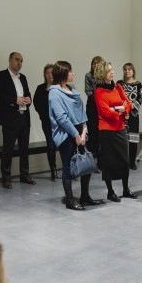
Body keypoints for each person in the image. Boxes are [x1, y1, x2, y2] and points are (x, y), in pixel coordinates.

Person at [49, 60, 96, 211]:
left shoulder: (72, 88)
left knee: (86, 164)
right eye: (70, 71)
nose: (72, 73)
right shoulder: (54, 93)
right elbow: (61, 118)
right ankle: (70, 200)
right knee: (68, 167)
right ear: (62, 73)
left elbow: (81, 110)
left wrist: (83, 130)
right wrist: (76, 135)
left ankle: (85, 196)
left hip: (80, 131)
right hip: (67, 134)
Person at [94, 61, 135, 201]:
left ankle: (126, 189)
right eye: (108, 71)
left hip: (120, 127)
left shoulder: (118, 87)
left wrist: (121, 109)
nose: (112, 72)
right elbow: (105, 112)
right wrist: (120, 110)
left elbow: (128, 103)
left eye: (112, 69)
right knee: (109, 161)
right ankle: (110, 192)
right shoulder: (99, 91)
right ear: (102, 74)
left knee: (125, 160)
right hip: (107, 130)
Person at [0, 52, 34, 188]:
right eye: (16, 60)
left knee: (24, 148)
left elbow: (27, 93)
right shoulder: (1, 75)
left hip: (24, 116)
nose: (19, 63)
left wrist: (29, 99)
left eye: (21, 60)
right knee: (8, 149)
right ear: (9, 60)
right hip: (10, 118)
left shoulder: (23, 77)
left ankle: (24, 174)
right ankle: (6, 177)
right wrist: (14, 100)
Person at [34, 63, 59, 181]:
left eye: (51, 72)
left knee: (64, 145)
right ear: (44, 75)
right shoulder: (40, 88)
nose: (50, 75)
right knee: (51, 145)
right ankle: (53, 170)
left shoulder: (59, 87)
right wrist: (43, 115)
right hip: (47, 122)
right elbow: (36, 103)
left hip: (60, 122)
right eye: (47, 73)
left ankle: (70, 169)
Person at [117, 62, 142, 171]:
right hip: (121, 115)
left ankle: (132, 162)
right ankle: (121, 161)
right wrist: (122, 108)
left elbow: (140, 99)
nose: (127, 71)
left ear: (133, 71)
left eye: (129, 69)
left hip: (133, 115)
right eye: (125, 69)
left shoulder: (138, 84)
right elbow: (116, 97)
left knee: (133, 139)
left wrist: (129, 107)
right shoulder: (119, 83)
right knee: (120, 139)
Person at [84, 56, 104, 171]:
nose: (95, 65)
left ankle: (101, 160)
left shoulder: (104, 76)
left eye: (98, 63)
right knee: (92, 134)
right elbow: (88, 91)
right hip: (92, 107)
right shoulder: (88, 75)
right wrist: (98, 100)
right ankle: (92, 161)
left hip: (102, 108)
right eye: (94, 63)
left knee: (101, 134)